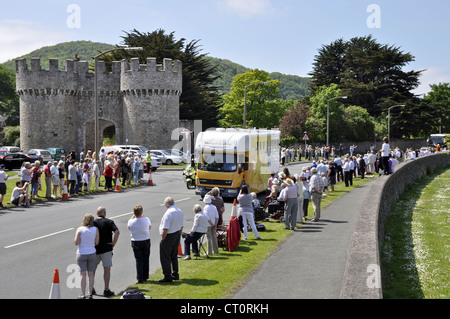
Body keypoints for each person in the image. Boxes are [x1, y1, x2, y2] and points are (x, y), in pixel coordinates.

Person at [94, 206, 120, 297]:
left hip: (96, 249)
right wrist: (113, 243)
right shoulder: (109, 222)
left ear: (97, 214)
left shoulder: (93, 222)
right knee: (107, 269)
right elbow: (117, 231)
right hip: (107, 249)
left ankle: (91, 287)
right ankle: (106, 289)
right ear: (104, 213)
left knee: (93, 269)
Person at [74, 214, 99, 299]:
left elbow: (76, 242)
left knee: (82, 274)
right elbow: (96, 243)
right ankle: (90, 293)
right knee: (91, 274)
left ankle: (82, 294)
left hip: (81, 253)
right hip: (92, 253)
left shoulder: (80, 229)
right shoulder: (95, 229)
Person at [159, 197, 184, 282]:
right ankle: (175, 273)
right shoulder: (179, 211)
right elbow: (181, 226)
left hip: (169, 236)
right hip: (177, 234)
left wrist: (163, 239)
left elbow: (165, 228)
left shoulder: (168, 213)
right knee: (174, 256)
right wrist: (179, 235)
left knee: (165, 257)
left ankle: (167, 276)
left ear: (166, 204)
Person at [128, 205, 151, 284]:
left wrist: (133, 217)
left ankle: (139, 277)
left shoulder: (131, 221)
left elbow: (129, 227)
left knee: (139, 260)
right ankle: (145, 276)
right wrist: (143, 216)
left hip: (136, 241)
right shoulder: (146, 219)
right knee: (146, 259)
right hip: (145, 240)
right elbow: (149, 227)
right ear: (141, 212)